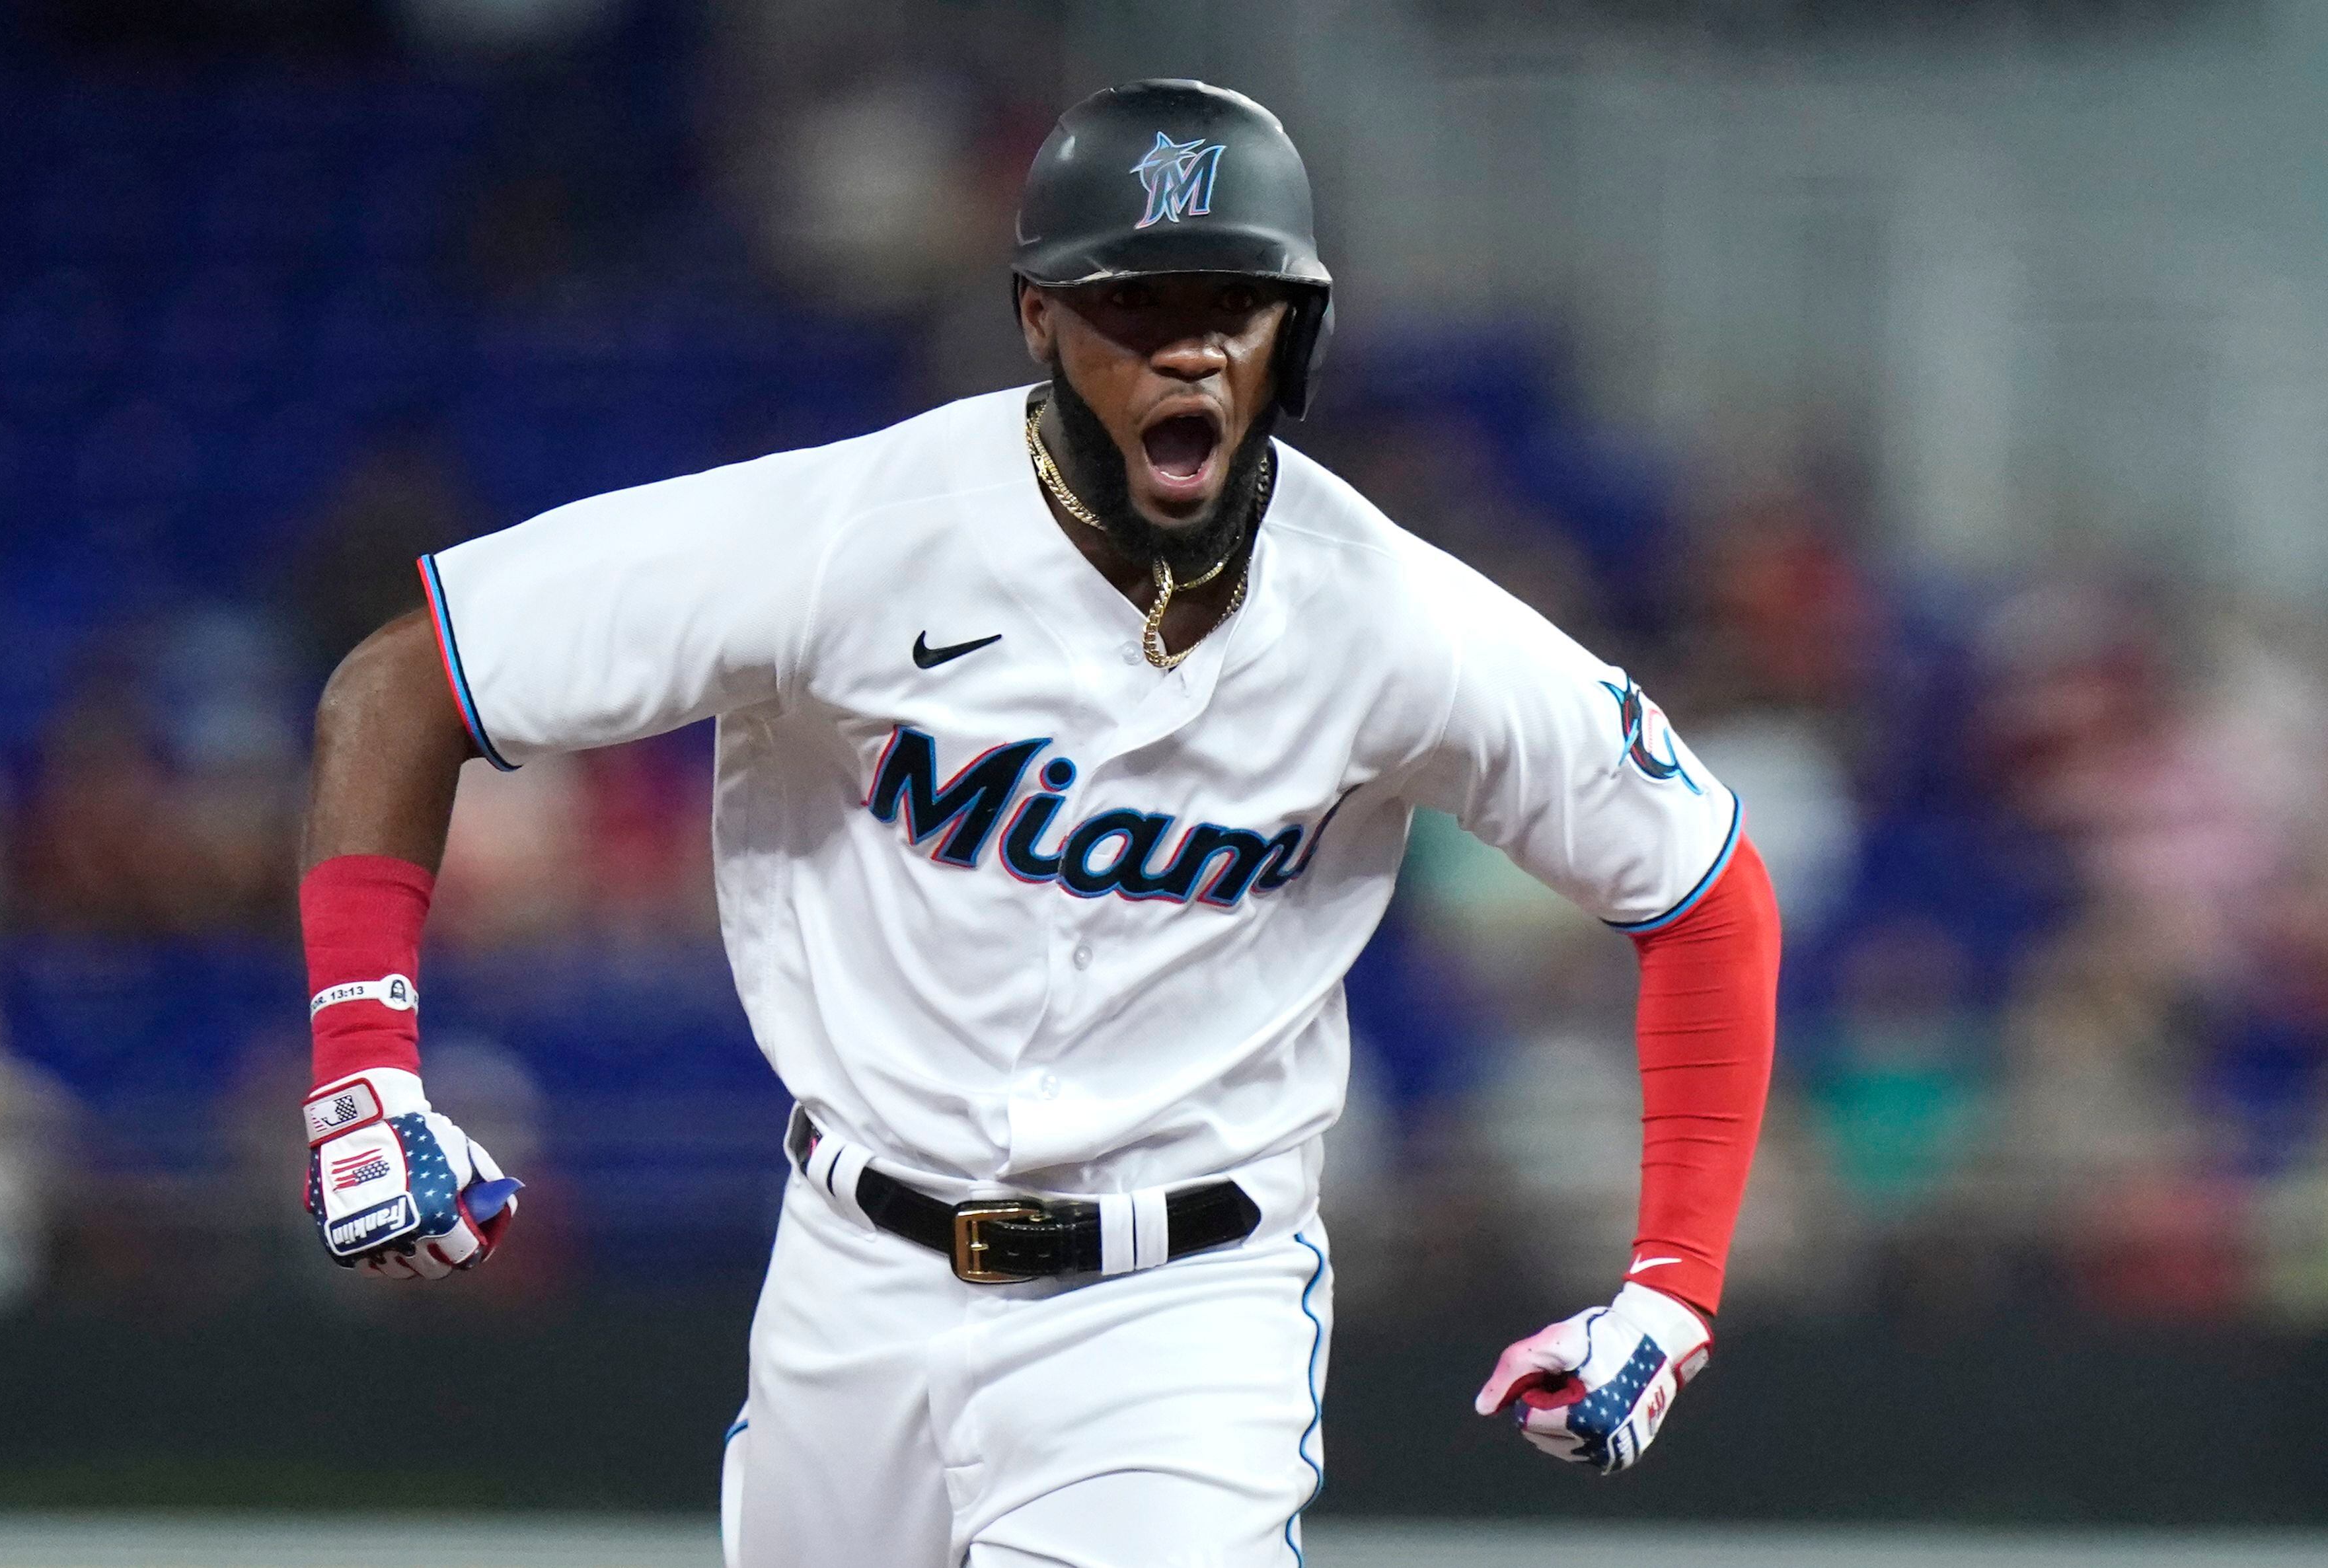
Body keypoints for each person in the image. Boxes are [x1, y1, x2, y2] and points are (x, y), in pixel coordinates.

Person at [295, 79, 1780, 1567]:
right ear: (1037, 319)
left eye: (1236, 301)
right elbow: (405, 681)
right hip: (848, 1277)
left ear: (1295, 339)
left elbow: (1703, 885)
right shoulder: (854, 535)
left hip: (1178, 1304)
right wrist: (364, 1064)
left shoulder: (1392, 620)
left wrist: (1671, 1281)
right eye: (1136, 302)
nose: (1190, 341)